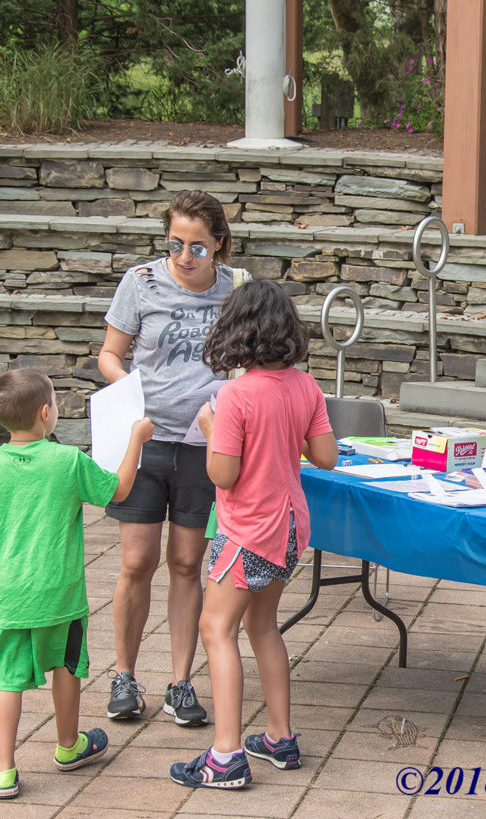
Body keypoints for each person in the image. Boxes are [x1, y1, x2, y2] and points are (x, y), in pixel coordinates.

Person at [0, 368, 153, 799]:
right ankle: (68, 746)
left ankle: (4, 771)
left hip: (7, 596)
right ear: (46, 413)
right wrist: (137, 438)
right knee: (66, 666)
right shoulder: (67, 462)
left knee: (8, 680)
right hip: (60, 594)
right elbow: (116, 491)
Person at [169, 280, 338, 789]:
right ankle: (279, 738)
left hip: (248, 531)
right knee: (262, 627)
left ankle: (226, 756)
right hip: (290, 530)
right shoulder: (306, 386)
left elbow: (222, 475)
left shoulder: (234, 396)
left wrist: (209, 425)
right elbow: (325, 456)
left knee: (214, 629)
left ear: (236, 331)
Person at [98, 190, 238, 726]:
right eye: (176, 244)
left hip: (206, 445)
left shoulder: (236, 289)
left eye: (198, 248)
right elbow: (110, 353)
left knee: (186, 563)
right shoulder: (140, 283)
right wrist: (132, 389)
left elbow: (250, 359)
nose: (184, 257)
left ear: (219, 246)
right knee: (136, 562)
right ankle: (125, 677)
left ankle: (181, 683)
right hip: (146, 441)